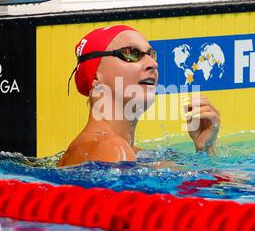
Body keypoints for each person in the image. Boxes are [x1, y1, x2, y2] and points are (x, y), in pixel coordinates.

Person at [57, 25, 220, 167]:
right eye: (131, 53)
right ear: (95, 76)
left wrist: (205, 148)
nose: (153, 64)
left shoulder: (132, 153)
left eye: (151, 54)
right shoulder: (112, 149)